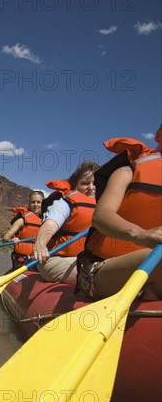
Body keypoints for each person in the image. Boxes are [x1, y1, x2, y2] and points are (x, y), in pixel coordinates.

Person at [77, 126, 162, 300]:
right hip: (99, 270)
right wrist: (140, 234)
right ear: (158, 135)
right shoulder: (126, 172)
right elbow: (101, 216)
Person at [33, 161, 99, 284]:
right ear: (75, 186)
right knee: (99, 276)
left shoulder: (110, 207)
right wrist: (41, 244)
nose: (91, 188)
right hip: (58, 260)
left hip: (92, 261)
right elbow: (50, 224)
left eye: (95, 183)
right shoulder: (65, 203)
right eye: (85, 183)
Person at [2, 190, 44, 269]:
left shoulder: (47, 221)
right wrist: (13, 239)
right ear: (29, 204)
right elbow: (5, 237)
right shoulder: (22, 220)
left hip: (38, 259)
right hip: (22, 259)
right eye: (33, 202)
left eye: (38, 202)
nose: (35, 205)